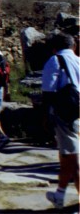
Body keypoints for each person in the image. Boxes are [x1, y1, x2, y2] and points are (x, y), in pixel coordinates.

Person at [41, 32, 79, 208]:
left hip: (66, 115)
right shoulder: (78, 61)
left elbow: (48, 92)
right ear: (74, 46)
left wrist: (46, 116)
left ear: (55, 48)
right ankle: (59, 195)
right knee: (66, 156)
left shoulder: (55, 61)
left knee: (75, 159)